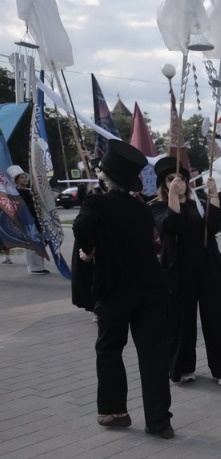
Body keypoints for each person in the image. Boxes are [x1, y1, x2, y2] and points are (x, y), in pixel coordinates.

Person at [71, 140, 174, 439]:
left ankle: (115, 411)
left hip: (114, 289)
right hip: (152, 288)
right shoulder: (141, 208)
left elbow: (80, 227)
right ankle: (159, 422)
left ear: (104, 177)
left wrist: (88, 251)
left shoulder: (96, 202)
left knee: (109, 349)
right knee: (153, 355)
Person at [153, 157, 221, 385]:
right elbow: (170, 225)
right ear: (164, 184)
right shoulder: (158, 206)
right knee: (182, 322)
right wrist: (173, 197)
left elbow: (213, 228)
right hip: (178, 271)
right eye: (172, 180)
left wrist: (213, 195)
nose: (178, 183)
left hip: (208, 268)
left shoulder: (199, 203)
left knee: (217, 320)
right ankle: (182, 368)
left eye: (181, 179)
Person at [7, 165, 49, 274]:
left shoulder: (29, 191)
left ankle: (39, 266)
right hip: (27, 221)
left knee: (40, 242)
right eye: (21, 177)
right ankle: (35, 267)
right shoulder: (16, 193)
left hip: (36, 219)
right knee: (33, 243)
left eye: (25, 177)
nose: (24, 179)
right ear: (16, 180)